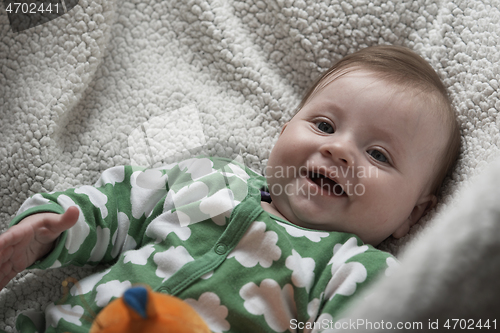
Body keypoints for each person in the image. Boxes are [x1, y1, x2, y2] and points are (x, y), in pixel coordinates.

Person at [0, 45, 460, 333]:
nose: (339, 150)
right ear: (283, 132)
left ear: (414, 216)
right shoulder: (212, 179)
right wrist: (49, 231)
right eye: (323, 125)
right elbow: (119, 204)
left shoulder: (352, 270)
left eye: (379, 155)